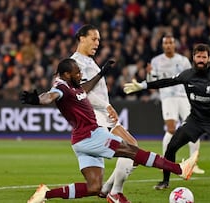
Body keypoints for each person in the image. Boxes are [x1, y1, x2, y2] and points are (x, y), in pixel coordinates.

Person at [21, 58, 199, 203]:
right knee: (132, 151)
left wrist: (101, 74)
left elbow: (85, 88)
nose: (80, 74)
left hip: (80, 141)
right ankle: (179, 169)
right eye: (77, 72)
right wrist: (36, 99)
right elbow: (49, 96)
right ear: (67, 74)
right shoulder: (61, 87)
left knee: (94, 187)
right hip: (92, 135)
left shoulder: (74, 86)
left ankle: (45, 194)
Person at [124, 43, 210, 189]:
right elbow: (167, 81)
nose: (201, 59)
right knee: (171, 147)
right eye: (198, 56)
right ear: (193, 58)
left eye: (204, 57)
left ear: (209, 59)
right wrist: (144, 85)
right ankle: (165, 181)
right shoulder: (187, 75)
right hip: (195, 119)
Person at [70, 24, 136, 203]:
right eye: (94, 38)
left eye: (99, 39)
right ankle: (114, 192)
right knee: (131, 150)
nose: (97, 43)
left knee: (133, 148)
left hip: (105, 114)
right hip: (95, 115)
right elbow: (82, 92)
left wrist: (107, 107)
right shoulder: (75, 63)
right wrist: (106, 106)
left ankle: (109, 189)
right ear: (82, 38)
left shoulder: (90, 61)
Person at [147, 34, 204, 177]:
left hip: (184, 97)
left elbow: (191, 78)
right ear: (162, 45)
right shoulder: (156, 61)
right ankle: (165, 162)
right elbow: (152, 82)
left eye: (170, 43)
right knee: (171, 129)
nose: (168, 45)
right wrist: (149, 75)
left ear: (174, 45)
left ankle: (193, 164)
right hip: (167, 97)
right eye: (165, 43)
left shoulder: (183, 60)